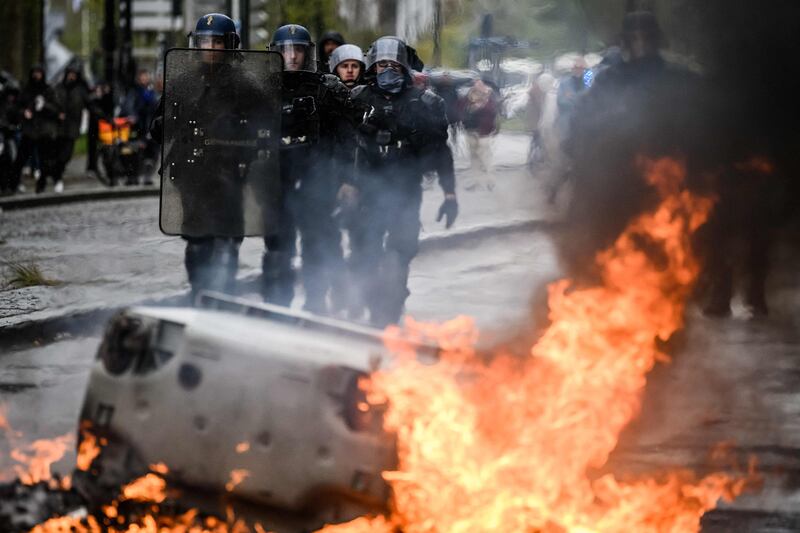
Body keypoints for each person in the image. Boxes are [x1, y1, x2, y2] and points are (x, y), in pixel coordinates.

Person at [151, 13, 263, 301]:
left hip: (229, 174)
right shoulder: (183, 83)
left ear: (229, 45)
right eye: (205, 42)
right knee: (198, 242)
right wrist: (165, 123)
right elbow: (159, 128)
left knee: (226, 243)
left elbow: (264, 128)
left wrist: (244, 143)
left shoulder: (245, 85)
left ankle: (222, 301)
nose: (210, 48)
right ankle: (199, 295)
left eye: (217, 42)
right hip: (193, 174)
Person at [348, 36, 458, 326]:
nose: (387, 70)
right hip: (367, 192)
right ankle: (372, 309)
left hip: (405, 191)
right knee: (366, 257)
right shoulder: (358, 99)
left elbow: (440, 151)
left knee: (399, 255)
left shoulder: (423, 103)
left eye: (394, 65)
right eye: (382, 64)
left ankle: (390, 312)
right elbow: (339, 147)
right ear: (373, 66)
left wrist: (450, 194)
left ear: (405, 68)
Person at [262, 24, 353, 314]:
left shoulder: (324, 89)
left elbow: (345, 137)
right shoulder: (262, 89)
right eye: (285, 50)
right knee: (277, 251)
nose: (291, 56)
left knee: (316, 247)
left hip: (316, 181)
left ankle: (316, 307)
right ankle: (277, 308)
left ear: (306, 53)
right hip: (277, 183)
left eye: (297, 50)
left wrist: (345, 179)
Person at [14, 65, 61, 194]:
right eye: (34, 73)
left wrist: (44, 106)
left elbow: (57, 109)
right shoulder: (26, 90)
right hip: (29, 130)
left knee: (45, 160)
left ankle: (42, 185)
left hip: (44, 131)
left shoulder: (48, 90)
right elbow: (18, 107)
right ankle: (13, 184)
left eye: (39, 73)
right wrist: (24, 112)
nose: (36, 76)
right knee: (20, 159)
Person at [51, 62, 90, 193]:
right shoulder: (58, 88)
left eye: (74, 74)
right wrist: (57, 113)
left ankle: (57, 175)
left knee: (66, 155)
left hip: (72, 128)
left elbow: (90, 105)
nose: (71, 76)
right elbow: (52, 103)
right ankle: (56, 177)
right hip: (58, 128)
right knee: (56, 155)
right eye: (70, 74)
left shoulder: (80, 91)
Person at [461, 77, 500, 190]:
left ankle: (491, 180)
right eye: (476, 84)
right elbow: (462, 108)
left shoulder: (490, 97)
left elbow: (493, 112)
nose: (477, 86)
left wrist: (482, 105)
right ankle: (475, 181)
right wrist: (468, 110)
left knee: (486, 157)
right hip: (470, 130)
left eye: (480, 84)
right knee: (473, 157)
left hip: (484, 132)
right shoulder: (469, 96)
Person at [0, 71, 21, 195]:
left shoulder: (15, 104)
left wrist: (14, 126)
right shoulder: (3, 102)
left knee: (13, 159)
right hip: (3, 134)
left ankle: (12, 185)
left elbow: (17, 118)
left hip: (10, 135)